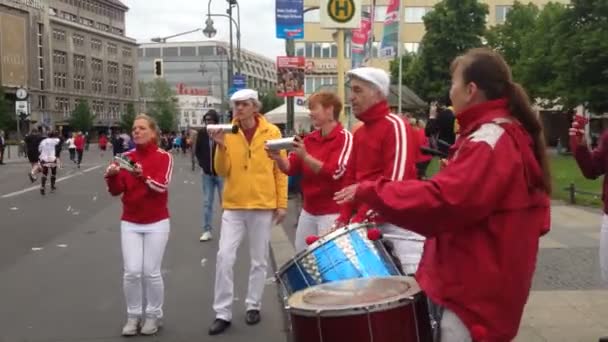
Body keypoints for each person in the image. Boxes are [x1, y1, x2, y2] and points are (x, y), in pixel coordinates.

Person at [335, 48, 551, 341]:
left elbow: (442, 202)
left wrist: (371, 191)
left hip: (474, 295)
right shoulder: (491, 133)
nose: (450, 92)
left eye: (453, 84)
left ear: (471, 90)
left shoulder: (490, 138)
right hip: (475, 285)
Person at [207, 89, 287, 335]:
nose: (238, 109)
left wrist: (281, 202)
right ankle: (222, 312)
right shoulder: (228, 131)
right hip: (234, 204)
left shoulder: (272, 132)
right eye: (235, 105)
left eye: (243, 105)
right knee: (224, 257)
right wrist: (220, 147)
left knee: (259, 259)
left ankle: (254, 304)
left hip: (262, 204)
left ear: (255, 107)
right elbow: (221, 171)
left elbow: (279, 170)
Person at [333, 67, 421, 275]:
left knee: (409, 293)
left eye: (358, 91)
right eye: (351, 91)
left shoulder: (396, 125)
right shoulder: (361, 133)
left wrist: (357, 221)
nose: (351, 97)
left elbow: (395, 184)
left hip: (396, 226)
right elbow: (350, 179)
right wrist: (342, 219)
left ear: (378, 93)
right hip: (366, 224)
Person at [104, 114, 173, 336]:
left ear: (153, 133)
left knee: (151, 272)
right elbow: (116, 191)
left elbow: (161, 186)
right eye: (134, 129)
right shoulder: (124, 157)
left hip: (157, 221)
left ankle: (153, 315)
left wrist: (142, 176)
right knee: (132, 272)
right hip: (131, 221)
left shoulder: (164, 157)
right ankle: (133, 316)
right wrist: (112, 176)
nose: (137, 132)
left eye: (142, 128)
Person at [267, 91, 352, 252]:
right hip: (309, 210)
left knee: (329, 259)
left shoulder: (344, 138)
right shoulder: (310, 139)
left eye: (314, 108)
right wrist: (278, 157)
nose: (310, 112)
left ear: (329, 110)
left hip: (332, 212)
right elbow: (290, 169)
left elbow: (336, 173)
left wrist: (305, 157)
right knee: (302, 255)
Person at [195, 110, 224, 241]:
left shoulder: (223, 133)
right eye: (206, 121)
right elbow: (198, 151)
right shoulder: (202, 133)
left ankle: (227, 230)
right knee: (207, 202)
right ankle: (207, 230)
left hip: (221, 174)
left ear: (216, 122)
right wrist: (203, 165)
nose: (208, 123)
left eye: (211, 121)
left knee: (226, 203)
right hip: (207, 173)